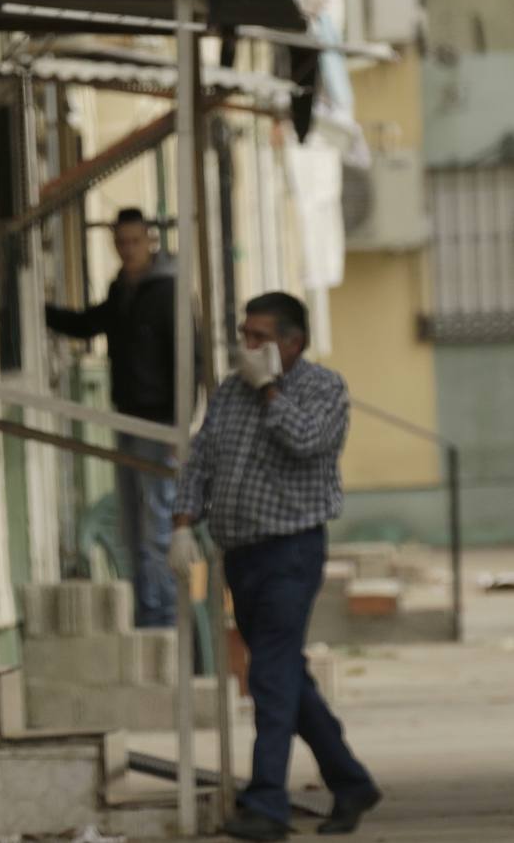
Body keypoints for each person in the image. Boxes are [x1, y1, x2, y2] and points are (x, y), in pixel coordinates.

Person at [167, 292, 381, 842]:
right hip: (241, 554)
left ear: (294, 342)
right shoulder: (230, 393)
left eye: (259, 337)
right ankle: (350, 781)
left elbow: (308, 442)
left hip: (291, 551)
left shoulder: (323, 389)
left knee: (268, 676)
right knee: (283, 674)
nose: (248, 347)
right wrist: (183, 523)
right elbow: (202, 458)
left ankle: (266, 804)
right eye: (244, 336)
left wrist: (269, 387)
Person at [45, 207, 181, 627]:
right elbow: (90, 323)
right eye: (121, 243)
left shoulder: (166, 292)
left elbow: (184, 359)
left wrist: (178, 424)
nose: (128, 251)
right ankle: (149, 612)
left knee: (157, 526)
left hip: (159, 422)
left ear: (149, 243)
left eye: (135, 242)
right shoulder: (123, 289)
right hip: (127, 415)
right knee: (133, 523)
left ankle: (164, 616)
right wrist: (39, 311)